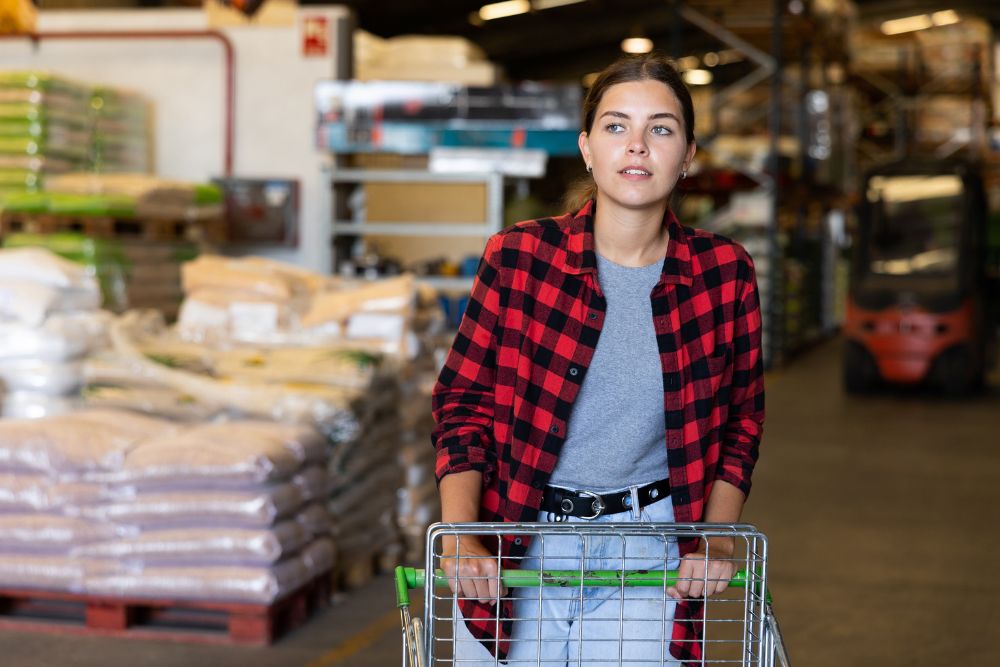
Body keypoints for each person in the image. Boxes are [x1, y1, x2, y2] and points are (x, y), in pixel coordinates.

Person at [431, 52, 765, 666]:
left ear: (688, 154)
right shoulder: (520, 258)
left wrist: (715, 543)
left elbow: (742, 420)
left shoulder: (725, 273)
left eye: (660, 129)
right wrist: (461, 536)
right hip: (518, 539)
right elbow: (464, 404)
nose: (637, 146)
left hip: (650, 548)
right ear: (587, 148)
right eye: (617, 127)